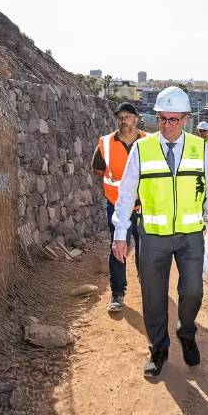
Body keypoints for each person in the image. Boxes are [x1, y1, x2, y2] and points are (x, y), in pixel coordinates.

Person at [112, 87, 208, 378]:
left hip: (189, 236)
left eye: (174, 119)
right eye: (162, 118)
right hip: (153, 236)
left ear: (186, 118)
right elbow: (125, 193)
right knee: (153, 295)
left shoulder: (199, 148)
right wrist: (120, 234)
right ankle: (158, 347)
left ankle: (186, 331)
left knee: (193, 290)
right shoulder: (141, 149)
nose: (168, 125)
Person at [90, 102, 147, 313]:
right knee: (117, 246)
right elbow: (98, 169)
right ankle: (117, 292)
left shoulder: (148, 142)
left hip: (144, 205)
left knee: (146, 246)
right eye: (120, 117)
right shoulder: (105, 143)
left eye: (127, 117)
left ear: (136, 119)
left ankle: (146, 281)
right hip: (116, 204)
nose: (123, 121)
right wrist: (119, 185)